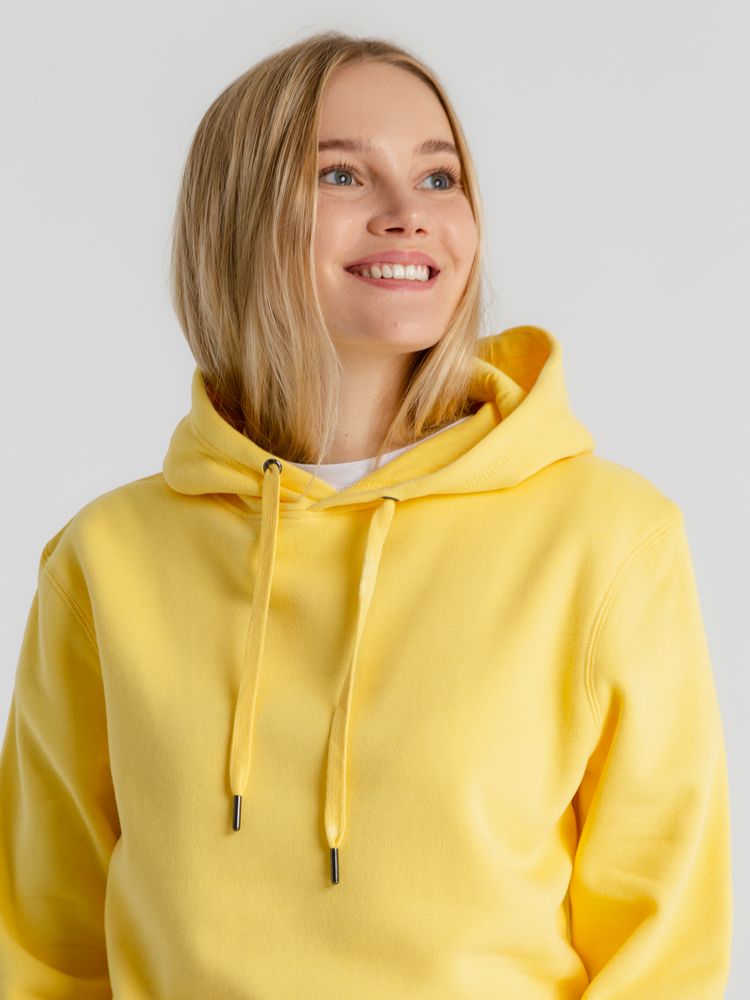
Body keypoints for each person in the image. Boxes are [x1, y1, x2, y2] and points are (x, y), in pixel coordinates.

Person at [0, 29, 732, 999]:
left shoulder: (608, 540)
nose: (407, 215)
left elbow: (665, 954)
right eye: (342, 175)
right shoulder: (105, 559)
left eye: (439, 178)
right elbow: (46, 950)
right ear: (239, 213)